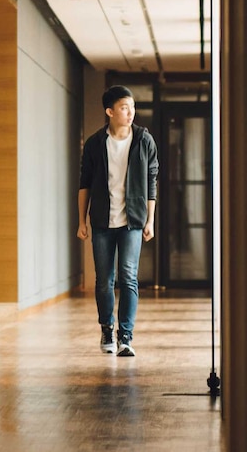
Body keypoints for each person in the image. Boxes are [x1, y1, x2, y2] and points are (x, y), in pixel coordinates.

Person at [77, 85, 159, 357]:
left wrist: (150, 220)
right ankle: (106, 328)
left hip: (132, 221)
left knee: (129, 278)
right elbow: (84, 184)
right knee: (104, 280)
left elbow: (151, 182)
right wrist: (82, 221)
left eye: (132, 107)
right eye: (124, 107)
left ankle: (126, 336)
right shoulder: (95, 143)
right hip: (101, 221)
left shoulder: (144, 140)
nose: (130, 112)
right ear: (110, 111)